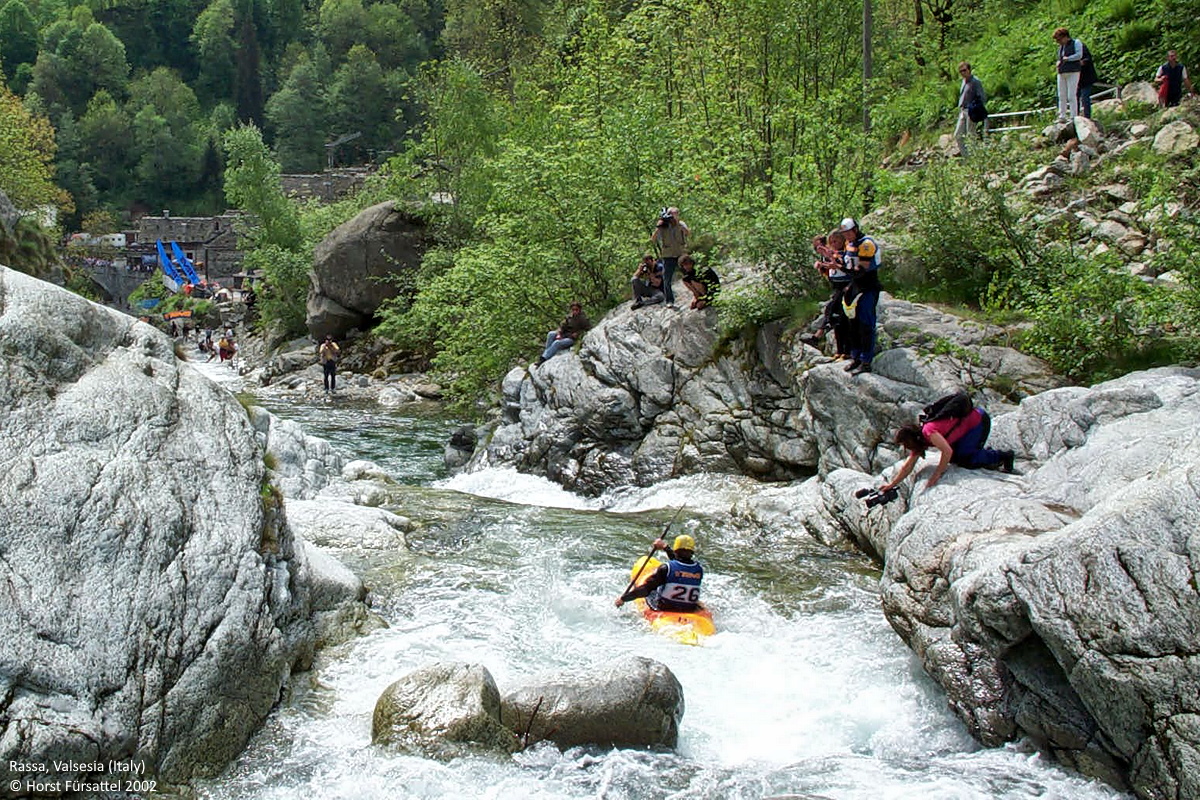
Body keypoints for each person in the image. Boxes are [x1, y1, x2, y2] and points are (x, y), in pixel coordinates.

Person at [878, 405, 1015, 492]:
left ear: (910, 439)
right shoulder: (920, 440)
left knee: (966, 460)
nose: (906, 447)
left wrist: (936, 474)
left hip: (977, 421)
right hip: (966, 428)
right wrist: (891, 484)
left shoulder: (928, 432)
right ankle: (984, 454)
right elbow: (908, 466)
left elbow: (947, 451)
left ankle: (1003, 456)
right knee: (957, 458)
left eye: (905, 444)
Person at [614, 534, 703, 612]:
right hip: (689, 608)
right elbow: (681, 566)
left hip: (666, 608)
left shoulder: (665, 568)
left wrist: (623, 599)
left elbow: (645, 589)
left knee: (652, 589)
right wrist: (665, 547)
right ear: (692, 552)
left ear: (676, 550)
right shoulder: (699, 569)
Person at [839, 218, 880, 375]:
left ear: (855, 230)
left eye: (848, 232)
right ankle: (855, 357)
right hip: (854, 286)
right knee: (852, 324)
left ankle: (866, 360)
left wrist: (840, 267)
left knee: (865, 324)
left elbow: (861, 270)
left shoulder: (866, 244)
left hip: (868, 287)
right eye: (844, 233)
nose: (847, 236)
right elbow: (848, 265)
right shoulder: (849, 244)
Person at [807, 230, 853, 359]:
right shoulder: (832, 254)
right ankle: (840, 350)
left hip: (845, 287)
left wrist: (829, 258)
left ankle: (845, 350)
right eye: (831, 242)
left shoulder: (844, 254)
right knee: (836, 319)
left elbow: (844, 266)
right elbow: (829, 270)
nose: (818, 250)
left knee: (838, 317)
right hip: (837, 287)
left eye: (836, 241)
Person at [650, 206, 689, 307]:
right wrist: (658, 227)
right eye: (672, 214)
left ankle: (697, 293)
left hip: (681, 253)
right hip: (668, 255)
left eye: (676, 214)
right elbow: (653, 240)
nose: (673, 216)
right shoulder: (663, 227)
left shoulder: (681, 224)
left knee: (689, 274)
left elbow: (688, 233)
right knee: (667, 279)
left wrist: (679, 224)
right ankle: (669, 300)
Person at [1053, 27, 1085, 122]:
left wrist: (1069, 58)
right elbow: (1060, 58)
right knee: (1061, 95)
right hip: (1062, 72)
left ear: (1065, 36)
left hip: (1073, 71)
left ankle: (1073, 115)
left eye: (1059, 39)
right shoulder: (1061, 47)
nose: (1058, 42)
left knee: (1071, 95)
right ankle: (1062, 115)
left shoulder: (1076, 43)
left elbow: (1079, 55)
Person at [954, 61, 986, 156]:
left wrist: (975, 106)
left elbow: (982, 97)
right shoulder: (963, 82)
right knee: (958, 135)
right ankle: (966, 157)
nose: (963, 73)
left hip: (971, 111)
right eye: (961, 71)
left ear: (969, 70)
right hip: (962, 110)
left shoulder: (975, 81)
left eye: (964, 70)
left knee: (971, 135)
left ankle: (975, 156)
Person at [1078, 43, 1098, 119]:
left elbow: (1087, 59)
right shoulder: (1065, 48)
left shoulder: (1081, 47)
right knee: (1075, 97)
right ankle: (1076, 115)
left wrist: (1080, 63)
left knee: (1085, 97)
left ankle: (1087, 117)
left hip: (1087, 77)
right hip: (1076, 79)